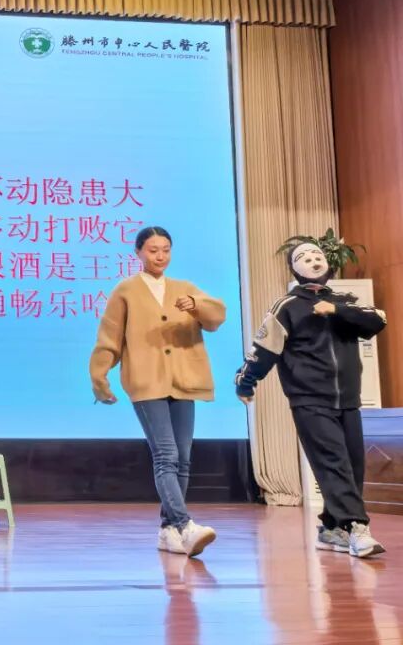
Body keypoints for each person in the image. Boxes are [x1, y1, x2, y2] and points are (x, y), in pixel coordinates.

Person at [236, 242, 387, 558]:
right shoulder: (287, 306)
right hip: (309, 399)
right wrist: (246, 382)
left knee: (352, 465)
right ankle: (357, 527)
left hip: (348, 399)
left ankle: (332, 528)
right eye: (304, 257)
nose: (313, 260)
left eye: (318, 255)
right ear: (294, 269)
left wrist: (336, 310)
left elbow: (377, 321)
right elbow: (265, 348)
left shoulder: (346, 302)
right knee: (333, 462)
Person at [89, 226, 226, 557]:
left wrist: (195, 304)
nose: (160, 256)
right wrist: (99, 376)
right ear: (138, 252)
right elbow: (110, 336)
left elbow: (216, 317)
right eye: (153, 250)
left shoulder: (184, 288)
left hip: (184, 380)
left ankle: (168, 530)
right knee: (166, 454)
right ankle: (184, 525)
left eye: (166, 249)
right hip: (146, 381)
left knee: (183, 458)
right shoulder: (126, 290)